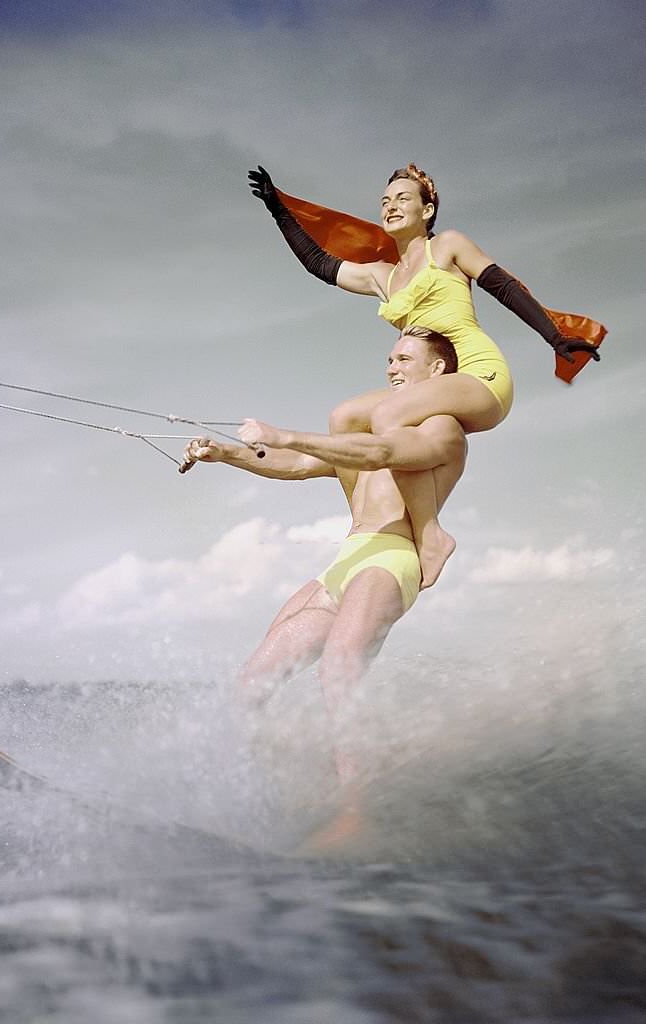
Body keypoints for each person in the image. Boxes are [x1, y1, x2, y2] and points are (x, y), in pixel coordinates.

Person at [248, 163, 601, 589]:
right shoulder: (384, 276)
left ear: (427, 210)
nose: (390, 207)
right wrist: (278, 208)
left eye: (402, 199)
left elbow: (501, 285)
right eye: (385, 201)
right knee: (344, 417)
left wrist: (555, 337)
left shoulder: (447, 247)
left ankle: (429, 533)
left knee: (388, 416)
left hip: (477, 374)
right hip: (430, 386)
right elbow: (320, 264)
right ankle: (368, 527)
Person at [181, 326, 466, 794]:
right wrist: (226, 454)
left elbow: (383, 453)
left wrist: (286, 433)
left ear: (436, 370)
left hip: (391, 558)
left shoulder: (443, 428)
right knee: (253, 681)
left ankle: (355, 801)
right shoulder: (365, 434)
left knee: (340, 665)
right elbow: (295, 464)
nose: (391, 368)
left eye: (404, 359)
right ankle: (256, 783)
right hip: (346, 560)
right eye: (390, 359)